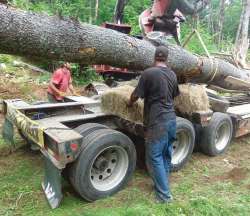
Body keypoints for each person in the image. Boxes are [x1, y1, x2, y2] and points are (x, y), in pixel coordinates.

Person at [128, 46, 180, 203]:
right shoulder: (172, 74)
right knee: (165, 154)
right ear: (167, 58)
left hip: (157, 122)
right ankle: (162, 185)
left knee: (155, 157)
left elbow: (136, 95)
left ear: (155, 57)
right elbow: (175, 95)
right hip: (171, 120)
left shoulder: (148, 73)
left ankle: (164, 196)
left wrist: (129, 103)